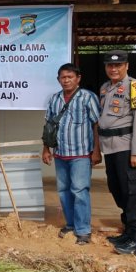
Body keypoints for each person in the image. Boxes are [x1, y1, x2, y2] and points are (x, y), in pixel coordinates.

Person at [98, 49, 136, 257]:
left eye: (118, 65)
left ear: (126, 66)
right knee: (118, 190)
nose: (114, 69)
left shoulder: (135, 87)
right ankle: (128, 233)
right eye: (110, 65)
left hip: (127, 148)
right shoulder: (105, 88)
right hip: (110, 148)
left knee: (133, 194)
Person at [42, 63, 102, 245]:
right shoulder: (54, 99)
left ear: (78, 78)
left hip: (81, 153)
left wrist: (97, 151)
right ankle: (70, 224)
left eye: (70, 77)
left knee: (80, 190)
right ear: (58, 79)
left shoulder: (87, 97)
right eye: (63, 77)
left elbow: (96, 125)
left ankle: (83, 230)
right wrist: (46, 148)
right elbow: (48, 126)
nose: (66, 80)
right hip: (60, 153)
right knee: (63, 191)